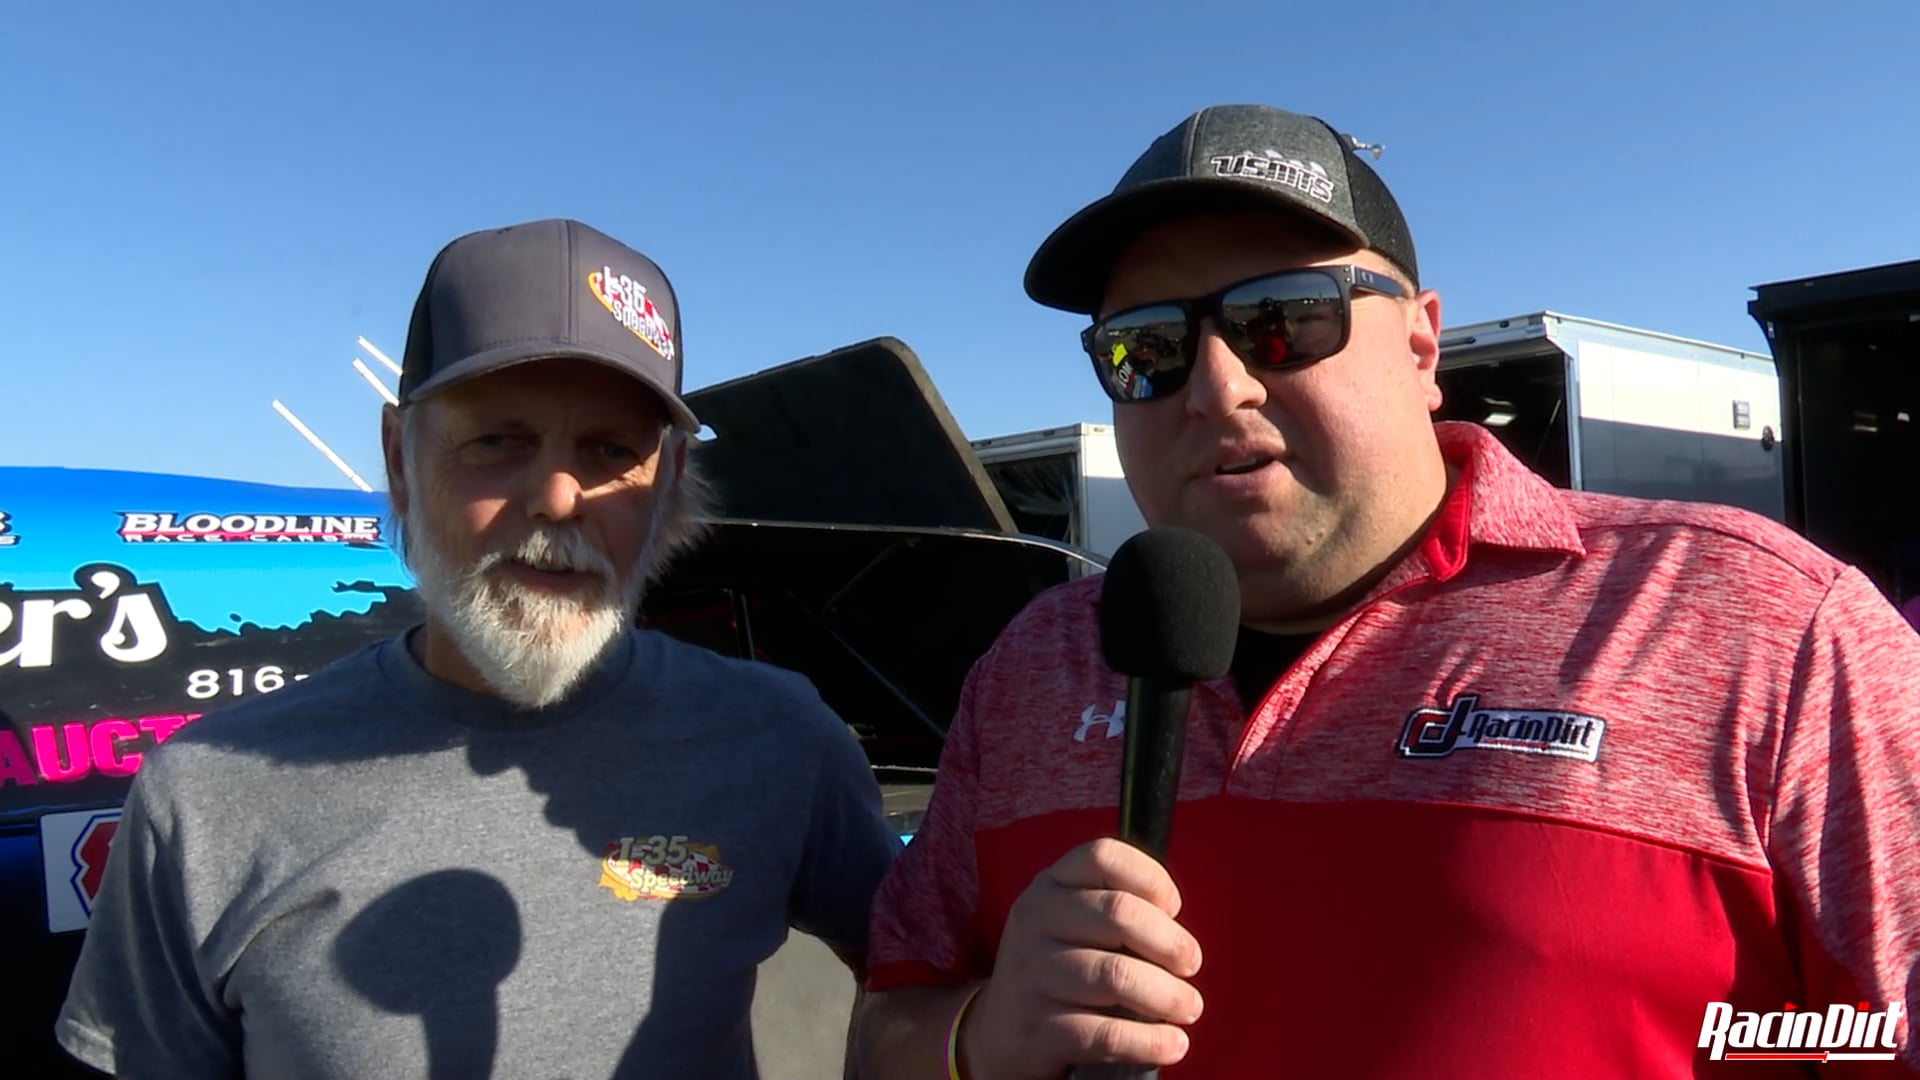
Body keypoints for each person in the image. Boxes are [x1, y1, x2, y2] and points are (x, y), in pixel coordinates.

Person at [852, 105, 1920, 1078]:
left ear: (1420, 344)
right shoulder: (1032, 669)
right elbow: (878, 1033)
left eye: (1282, 318)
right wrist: (977, 1039)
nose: (1217, 386)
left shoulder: (1765, 626)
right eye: (1147, 348)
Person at [55, 218, 901, 1080]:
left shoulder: (779, 738)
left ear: (671, 483)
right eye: (499, 441)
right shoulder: (207, 795)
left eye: (610, 452)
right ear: (399, 461)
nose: (558, 498)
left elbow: (916, 981)